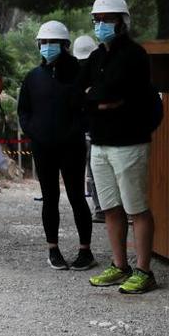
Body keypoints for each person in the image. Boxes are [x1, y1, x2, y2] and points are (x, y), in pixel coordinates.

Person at [80, 0, 160, 295]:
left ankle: (144, 270)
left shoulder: (136, 56)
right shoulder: (96, 57)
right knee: (111, 208)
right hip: (100, 143)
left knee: (136, 208)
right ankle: (119, 265)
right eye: (97, 20)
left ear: (122, 22)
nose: (101, 24)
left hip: (129, 144)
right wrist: (96, 100)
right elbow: (80, 93)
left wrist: (99, 97)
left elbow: (116, 92)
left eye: (108, 19)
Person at [17, 21, 96, 271]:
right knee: (50, 198)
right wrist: (34, 133)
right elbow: (24, 111)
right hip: (43, 148)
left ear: (65, 45)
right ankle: (53, 249)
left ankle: (85, 250)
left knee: (76, 197)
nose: (48, 47)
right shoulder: (33, 77)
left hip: (72, 146)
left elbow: (87, 109)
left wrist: (75, 131)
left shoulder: (78, 75)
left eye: (53, 43)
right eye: (44, 42)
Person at [72, 34, 104, 222]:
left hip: (98, 131)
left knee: (96, 172)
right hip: (87, 131)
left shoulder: (99, 73)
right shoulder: (81, 76)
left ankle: (103, 208)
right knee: (92, 173)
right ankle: (99, 208)